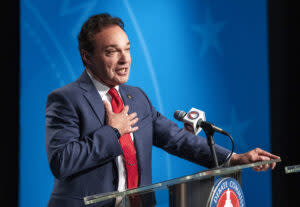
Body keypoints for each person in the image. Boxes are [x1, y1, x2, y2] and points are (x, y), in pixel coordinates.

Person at [45, 13, 280, 207]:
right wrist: (112, 132)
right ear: (87, 57)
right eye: (111, 52)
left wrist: (234, 159)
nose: (124, 59)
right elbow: (61, 162)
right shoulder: (66, 99)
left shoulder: (136, 97)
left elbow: (176, 139)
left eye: (127, 49)